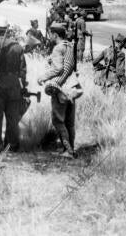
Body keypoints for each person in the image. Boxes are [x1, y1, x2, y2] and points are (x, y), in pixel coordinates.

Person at [38, 22, 83, 158]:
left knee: (58, 120)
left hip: (60, 88)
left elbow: (58, 68)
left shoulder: (58, 48)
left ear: (55, 34)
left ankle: (67, 150)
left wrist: (43, 77)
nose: (50, 36)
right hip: (72, 87)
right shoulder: (70, 46)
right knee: (70, 122)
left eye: (51, 34)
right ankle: (71, 148)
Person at [0, 17, 28, 151]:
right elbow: (23, 71)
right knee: (12, 118)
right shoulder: (17, 47)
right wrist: (23, 86)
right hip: (14, 86)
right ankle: (12, 145)